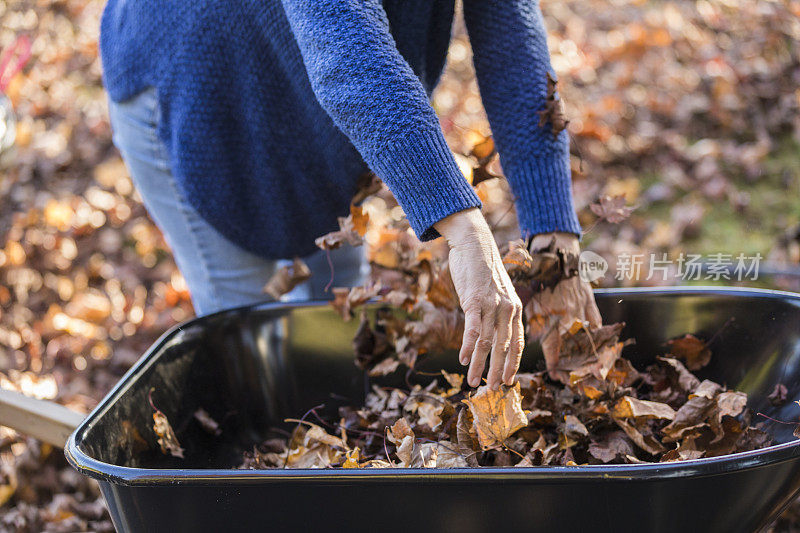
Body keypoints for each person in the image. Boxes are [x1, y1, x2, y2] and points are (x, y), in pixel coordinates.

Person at [100, 0, 601, 390]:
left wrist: (554, 237)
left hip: (306, 89)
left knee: (338, 327)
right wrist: (463, 227)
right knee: (251, 349)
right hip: (194, 78)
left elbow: (512, 42)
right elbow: (346, 54)